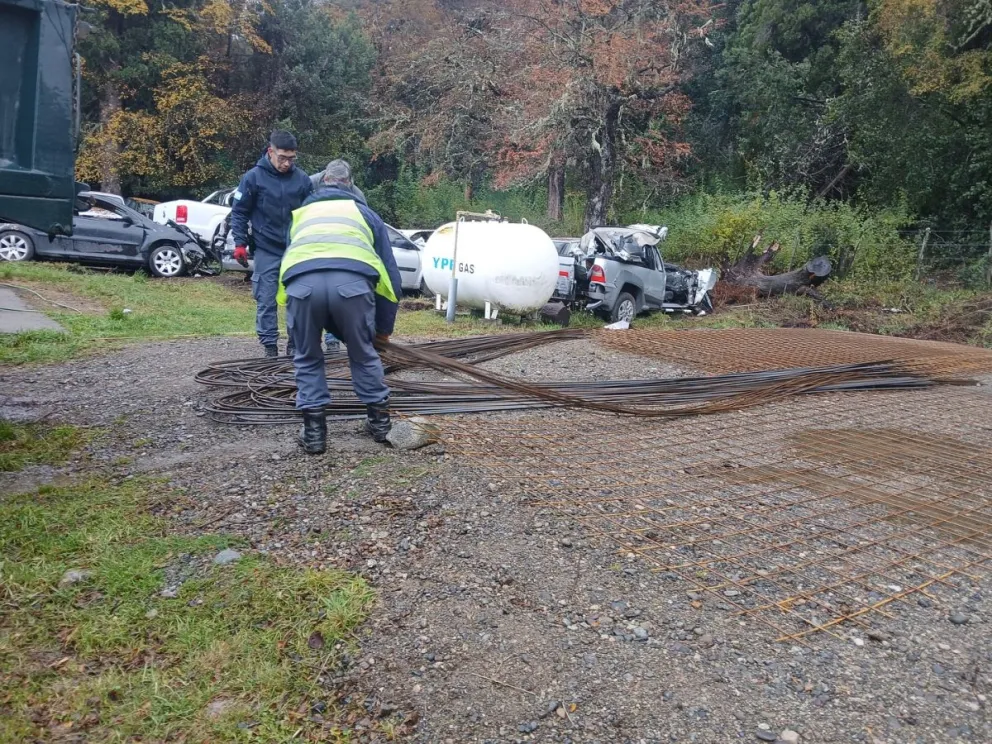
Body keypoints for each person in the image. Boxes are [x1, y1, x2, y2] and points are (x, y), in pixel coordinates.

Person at [279, 159, 402, 455]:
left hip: (302, 288)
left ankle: (314, 435)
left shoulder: (301, 214)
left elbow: (290, 260)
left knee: (307, 357)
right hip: (352, 287)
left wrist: (295, 332)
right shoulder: (365, 214)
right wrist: (383, 331)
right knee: (363, 353)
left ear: (322, 182)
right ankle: (380, 425)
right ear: (351, 184)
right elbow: (392, 277)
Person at [230, 130, 313, 358]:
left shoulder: (302, 180)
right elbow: (239, 212)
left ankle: (294, 345)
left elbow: (311, 214)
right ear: (270, 152)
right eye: (282, 158)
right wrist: (240, 243)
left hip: (295, 250)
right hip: (267, 248)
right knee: (266, 299)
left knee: (298, 298)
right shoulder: (253, 178)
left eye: (291, 159)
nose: (286, 163)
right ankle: (269, 348)